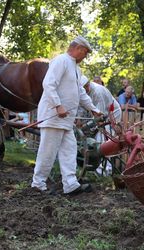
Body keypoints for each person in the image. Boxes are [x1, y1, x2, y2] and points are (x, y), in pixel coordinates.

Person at [31, 35, 101, 195]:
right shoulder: (61, 61)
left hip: (66, 120)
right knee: (47, 152)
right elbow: (48, 84)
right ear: (78, 49)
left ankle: (70, 184)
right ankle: (37, 185)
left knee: (69, 151)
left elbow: (80, 92)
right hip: (54, 117)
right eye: (85, 53)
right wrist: (58, 105)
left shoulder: (76, 69)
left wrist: (93, 108)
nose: (85, 56)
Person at [80, 75, 122, 176]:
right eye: (83, 88)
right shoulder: (81, 92)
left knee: (102, 140)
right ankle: (96, 168)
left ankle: (105, 171)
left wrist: (88, 126)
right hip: (98, 114)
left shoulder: (98, 92)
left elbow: (100, 116)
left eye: (87, 86)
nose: (86, 89)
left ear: (89, 84)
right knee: (95, 138)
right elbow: (81, 107)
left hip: (111, 113)